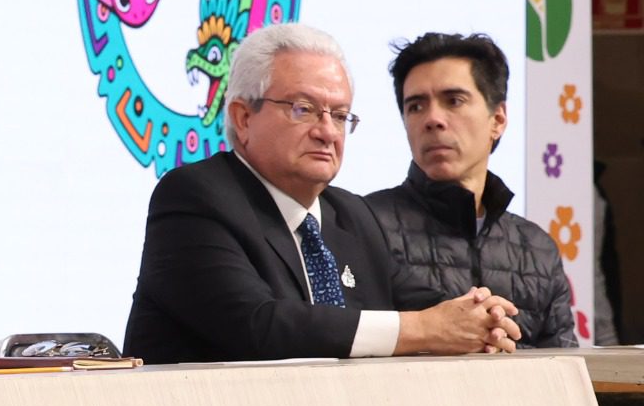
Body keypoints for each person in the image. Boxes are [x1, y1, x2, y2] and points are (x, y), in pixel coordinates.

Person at [123, 23, 519, 364]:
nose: (328, 132)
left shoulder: (350, 214)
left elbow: (424, 305)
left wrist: (482, 317)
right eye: (303, 109)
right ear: (243, 118)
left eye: (340, 115)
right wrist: (423, 329)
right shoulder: (196, 197)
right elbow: (258, 326)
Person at [364, 31, 576, 350]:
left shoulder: (537, 248)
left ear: (498, 119)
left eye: (454, 101)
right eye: (416, 106)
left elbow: (564, 367)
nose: (433, 119)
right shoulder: (364, 225)